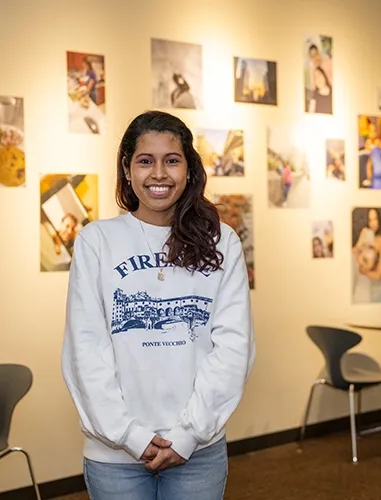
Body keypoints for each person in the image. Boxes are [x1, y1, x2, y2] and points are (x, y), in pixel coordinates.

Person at [61, 110, 256, 500]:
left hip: (197, 450)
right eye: (145, 161)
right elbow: (85, 350)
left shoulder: (222, 241)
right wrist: (130, 435)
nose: (159, 174)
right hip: (114, 453)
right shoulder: (97, 241)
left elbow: (234, 347)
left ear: (189, 168)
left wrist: (188, 434)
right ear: (127, 169)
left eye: (172, 160)